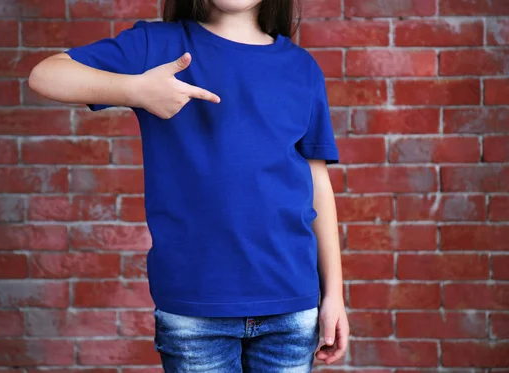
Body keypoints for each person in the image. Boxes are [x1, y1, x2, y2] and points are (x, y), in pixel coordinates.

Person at [29, 0, 349, 371]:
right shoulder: (157, 46)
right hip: (194, 306)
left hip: (291, 303)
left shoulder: (301, 68)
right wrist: (135, 90)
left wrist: (334, 295)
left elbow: (317, 185)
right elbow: (46, 75)